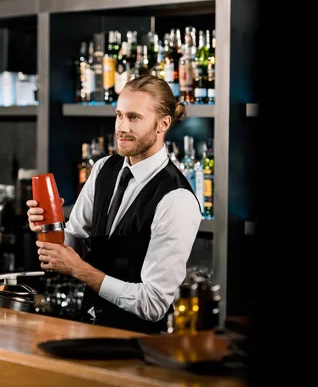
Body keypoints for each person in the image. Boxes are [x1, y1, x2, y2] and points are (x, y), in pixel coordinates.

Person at [26, 75, 201, 333]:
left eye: (134, 117)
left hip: (138, 345)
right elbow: (76, 238)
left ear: (162, 124)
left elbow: (154, 304)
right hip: (91, 326)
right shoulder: (103, 169)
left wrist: (80, 270)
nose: (121, 127)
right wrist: (49, 228)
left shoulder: (177, 199)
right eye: (119, 115)